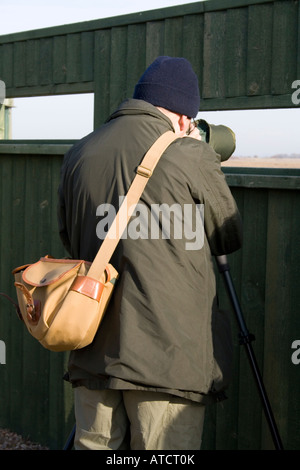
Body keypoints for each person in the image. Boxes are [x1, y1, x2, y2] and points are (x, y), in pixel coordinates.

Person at [57, 56, 243, 450]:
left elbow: (70, 239)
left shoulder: (80, 152)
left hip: (93, 353)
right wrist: (201, 156)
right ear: (182, 117)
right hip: (167, 360)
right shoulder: (189, 154)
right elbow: (228, 235)